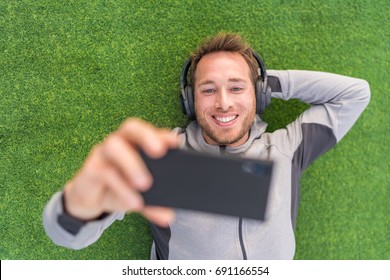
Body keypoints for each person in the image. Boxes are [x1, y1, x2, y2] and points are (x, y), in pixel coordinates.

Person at [43, 32, 370, 259]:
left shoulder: (289, 147)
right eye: (209, 89)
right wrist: (75, 208)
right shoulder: (164, 156)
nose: (224, 103)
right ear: (190, 100)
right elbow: (68, 238)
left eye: (237, 87)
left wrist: (266, 82)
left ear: (258, 94)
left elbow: (356, 93)